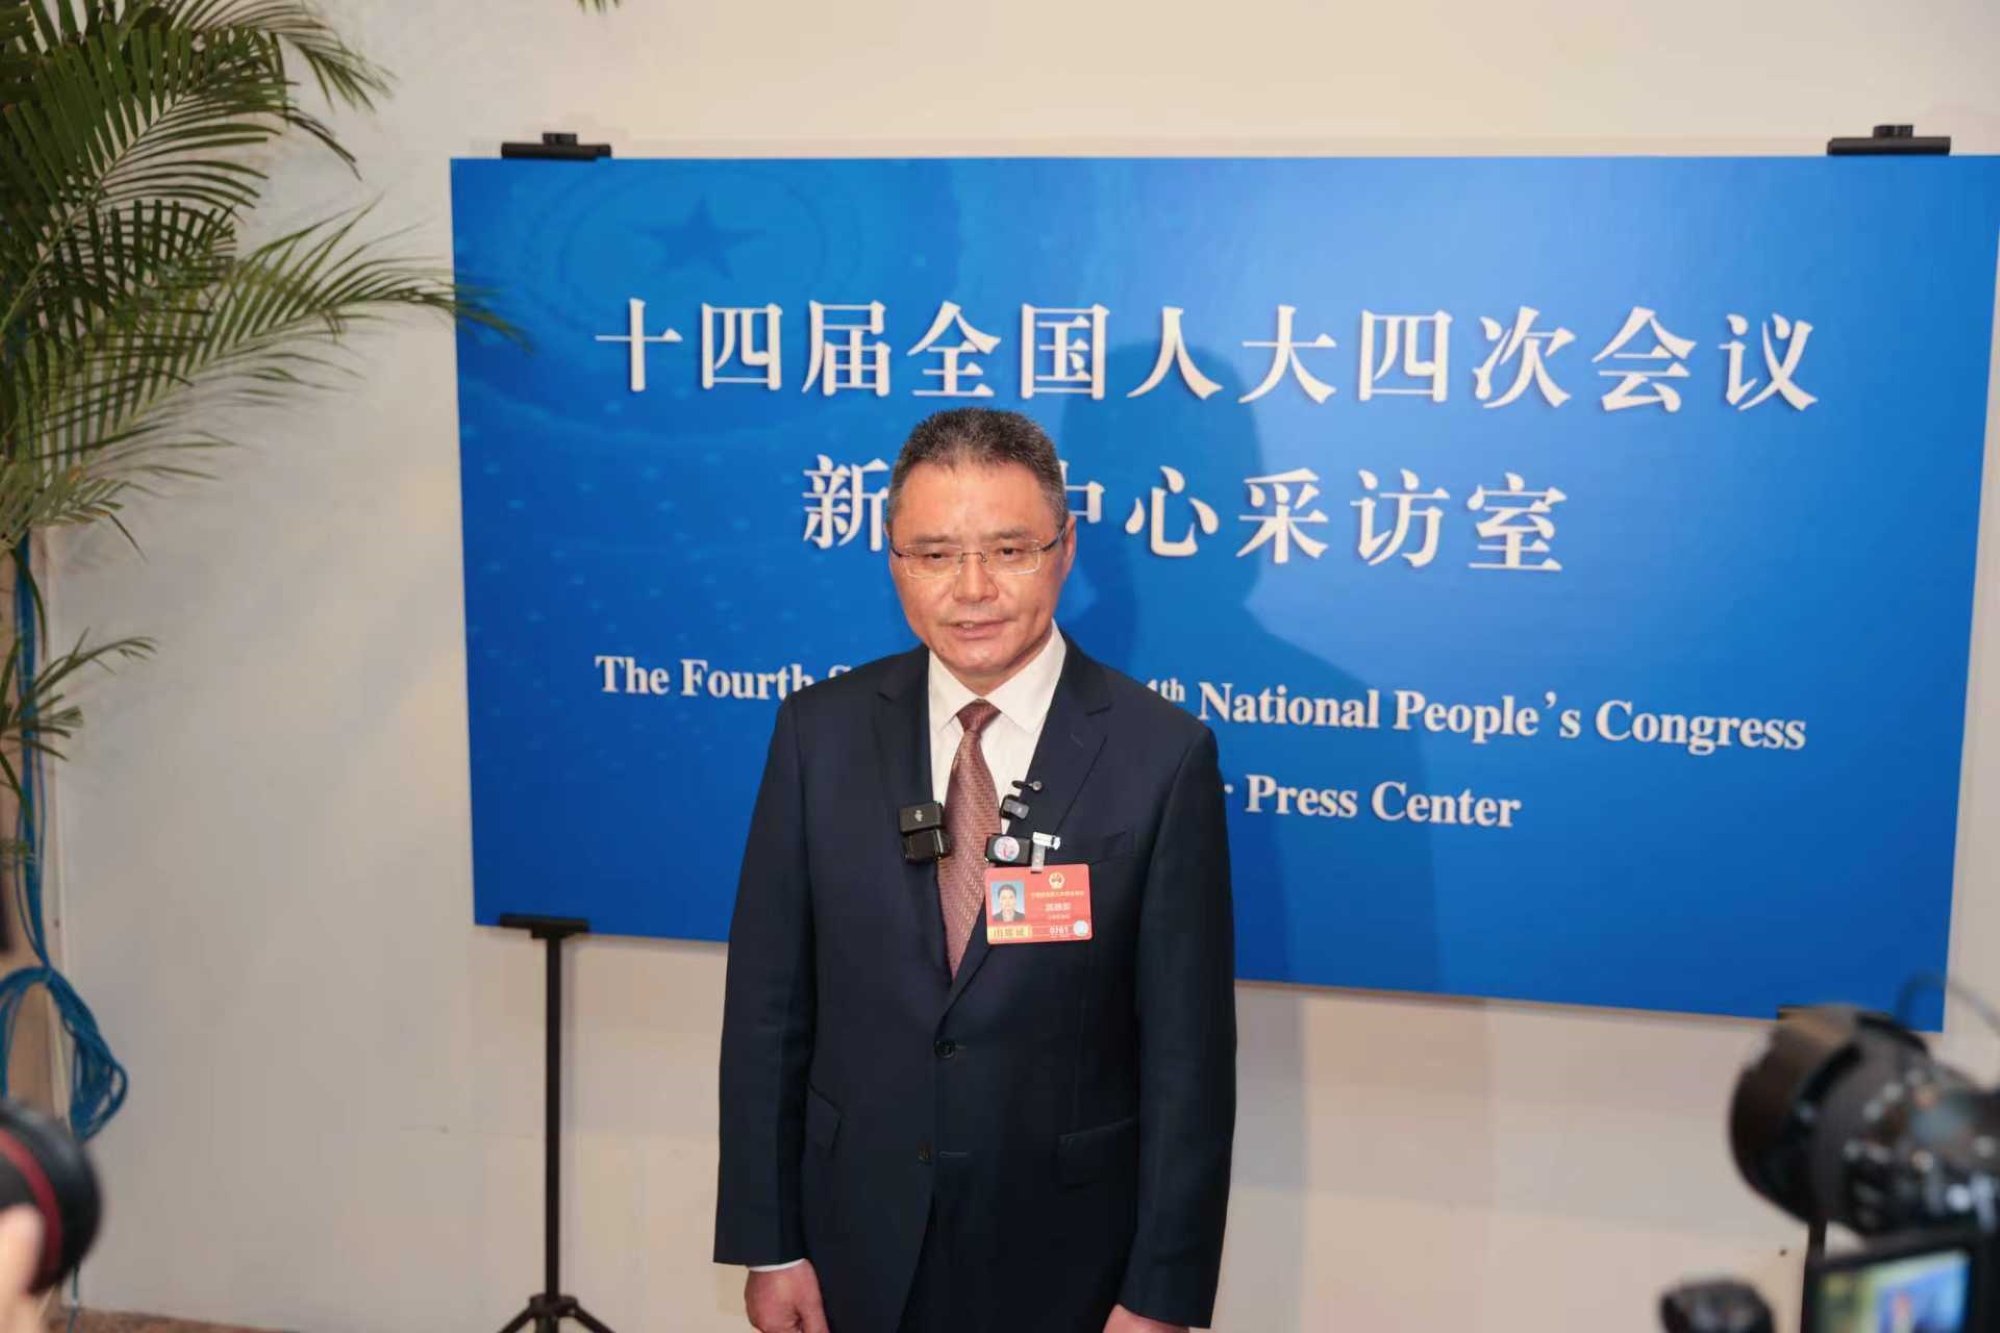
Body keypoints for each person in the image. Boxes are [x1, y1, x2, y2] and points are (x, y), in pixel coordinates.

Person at [715, 408, 1236, 1333]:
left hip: (1069, 1255)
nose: (972, 590)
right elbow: (767, 1010)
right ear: (893, 560)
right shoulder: (817, 733)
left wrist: (1161, 1291)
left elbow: (1188, 1057)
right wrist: (771, 1243)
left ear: (1065, 550)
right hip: (852, 1241)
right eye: (934, 554)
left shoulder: (1162, 755)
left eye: (1008, 549)